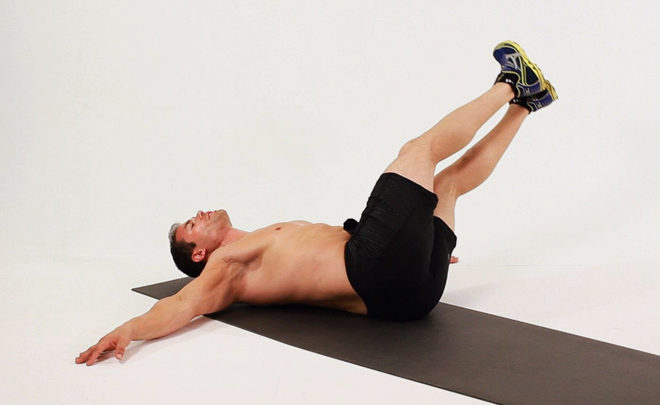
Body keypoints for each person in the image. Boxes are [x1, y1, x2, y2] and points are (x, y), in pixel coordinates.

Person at [76, 41, 557, 366]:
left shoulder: (261, 245)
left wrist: (414, 241)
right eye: (191, 225)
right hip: (375, 271)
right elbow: (183, 303)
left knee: (447, 185)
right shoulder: (226, 266)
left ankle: (527, 103)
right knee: (418, 152)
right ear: (199, 253)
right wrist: (130, 329)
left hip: (411, 296)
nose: (199, 214)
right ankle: (510, 83)